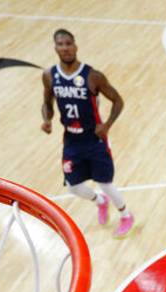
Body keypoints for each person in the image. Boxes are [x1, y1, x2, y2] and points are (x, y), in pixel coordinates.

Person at [41, 28, 136, 237]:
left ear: (75, 46)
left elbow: (118, 100)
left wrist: (108, 124)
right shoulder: (49, 76)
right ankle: (99, 201)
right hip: (71, 140)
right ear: (55, 48)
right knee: (73, 187)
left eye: (68, 43)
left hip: (94, 139)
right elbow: (46, 103)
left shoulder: (92, 76)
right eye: (61, 44)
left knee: (105, 183)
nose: (65, 48)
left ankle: (126, 215)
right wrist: (47, 119)